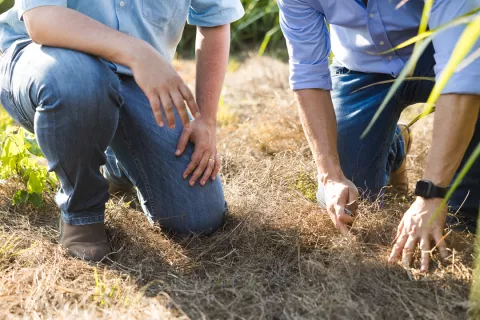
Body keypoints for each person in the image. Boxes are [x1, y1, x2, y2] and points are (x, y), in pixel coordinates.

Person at [0, 1, 244, 262]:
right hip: (50, 61)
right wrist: (135, 51)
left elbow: (215, 17)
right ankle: (82, 212)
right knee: (79, 81)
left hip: (137, 79)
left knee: (199, 217)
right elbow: (42, 20)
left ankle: (117, 167)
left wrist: (206, 118)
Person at [278, 0, 480, 272]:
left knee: (462, 218)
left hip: (441, 52)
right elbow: (308, 74)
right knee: (348, 203)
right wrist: (331, 176)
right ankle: (394, 145)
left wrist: (432, 194)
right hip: (362, 68)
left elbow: (463, 75)